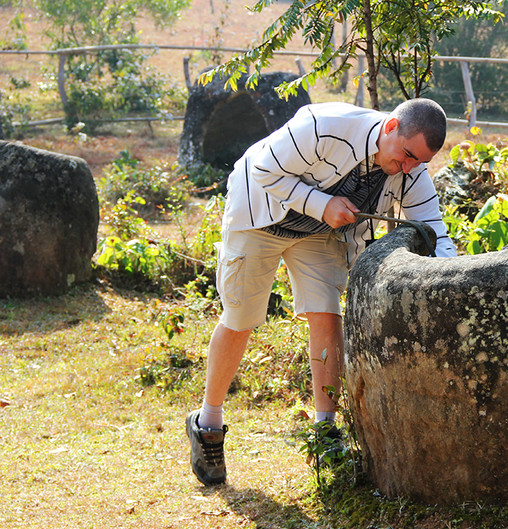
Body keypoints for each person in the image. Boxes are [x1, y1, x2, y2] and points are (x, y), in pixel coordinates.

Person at [185, 98, 457, 485]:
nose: (410, 168)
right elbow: (264, 169)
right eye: (407, 156)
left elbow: (433, 226)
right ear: (391, 127)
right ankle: (207, 423)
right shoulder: (324, 123)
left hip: (317, 233)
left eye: (420, 162)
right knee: (241, 317)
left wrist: (453, 274)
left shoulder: (412, 167)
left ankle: (325, 433)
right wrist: (322, 203)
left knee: (328, 316)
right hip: (259, 213)